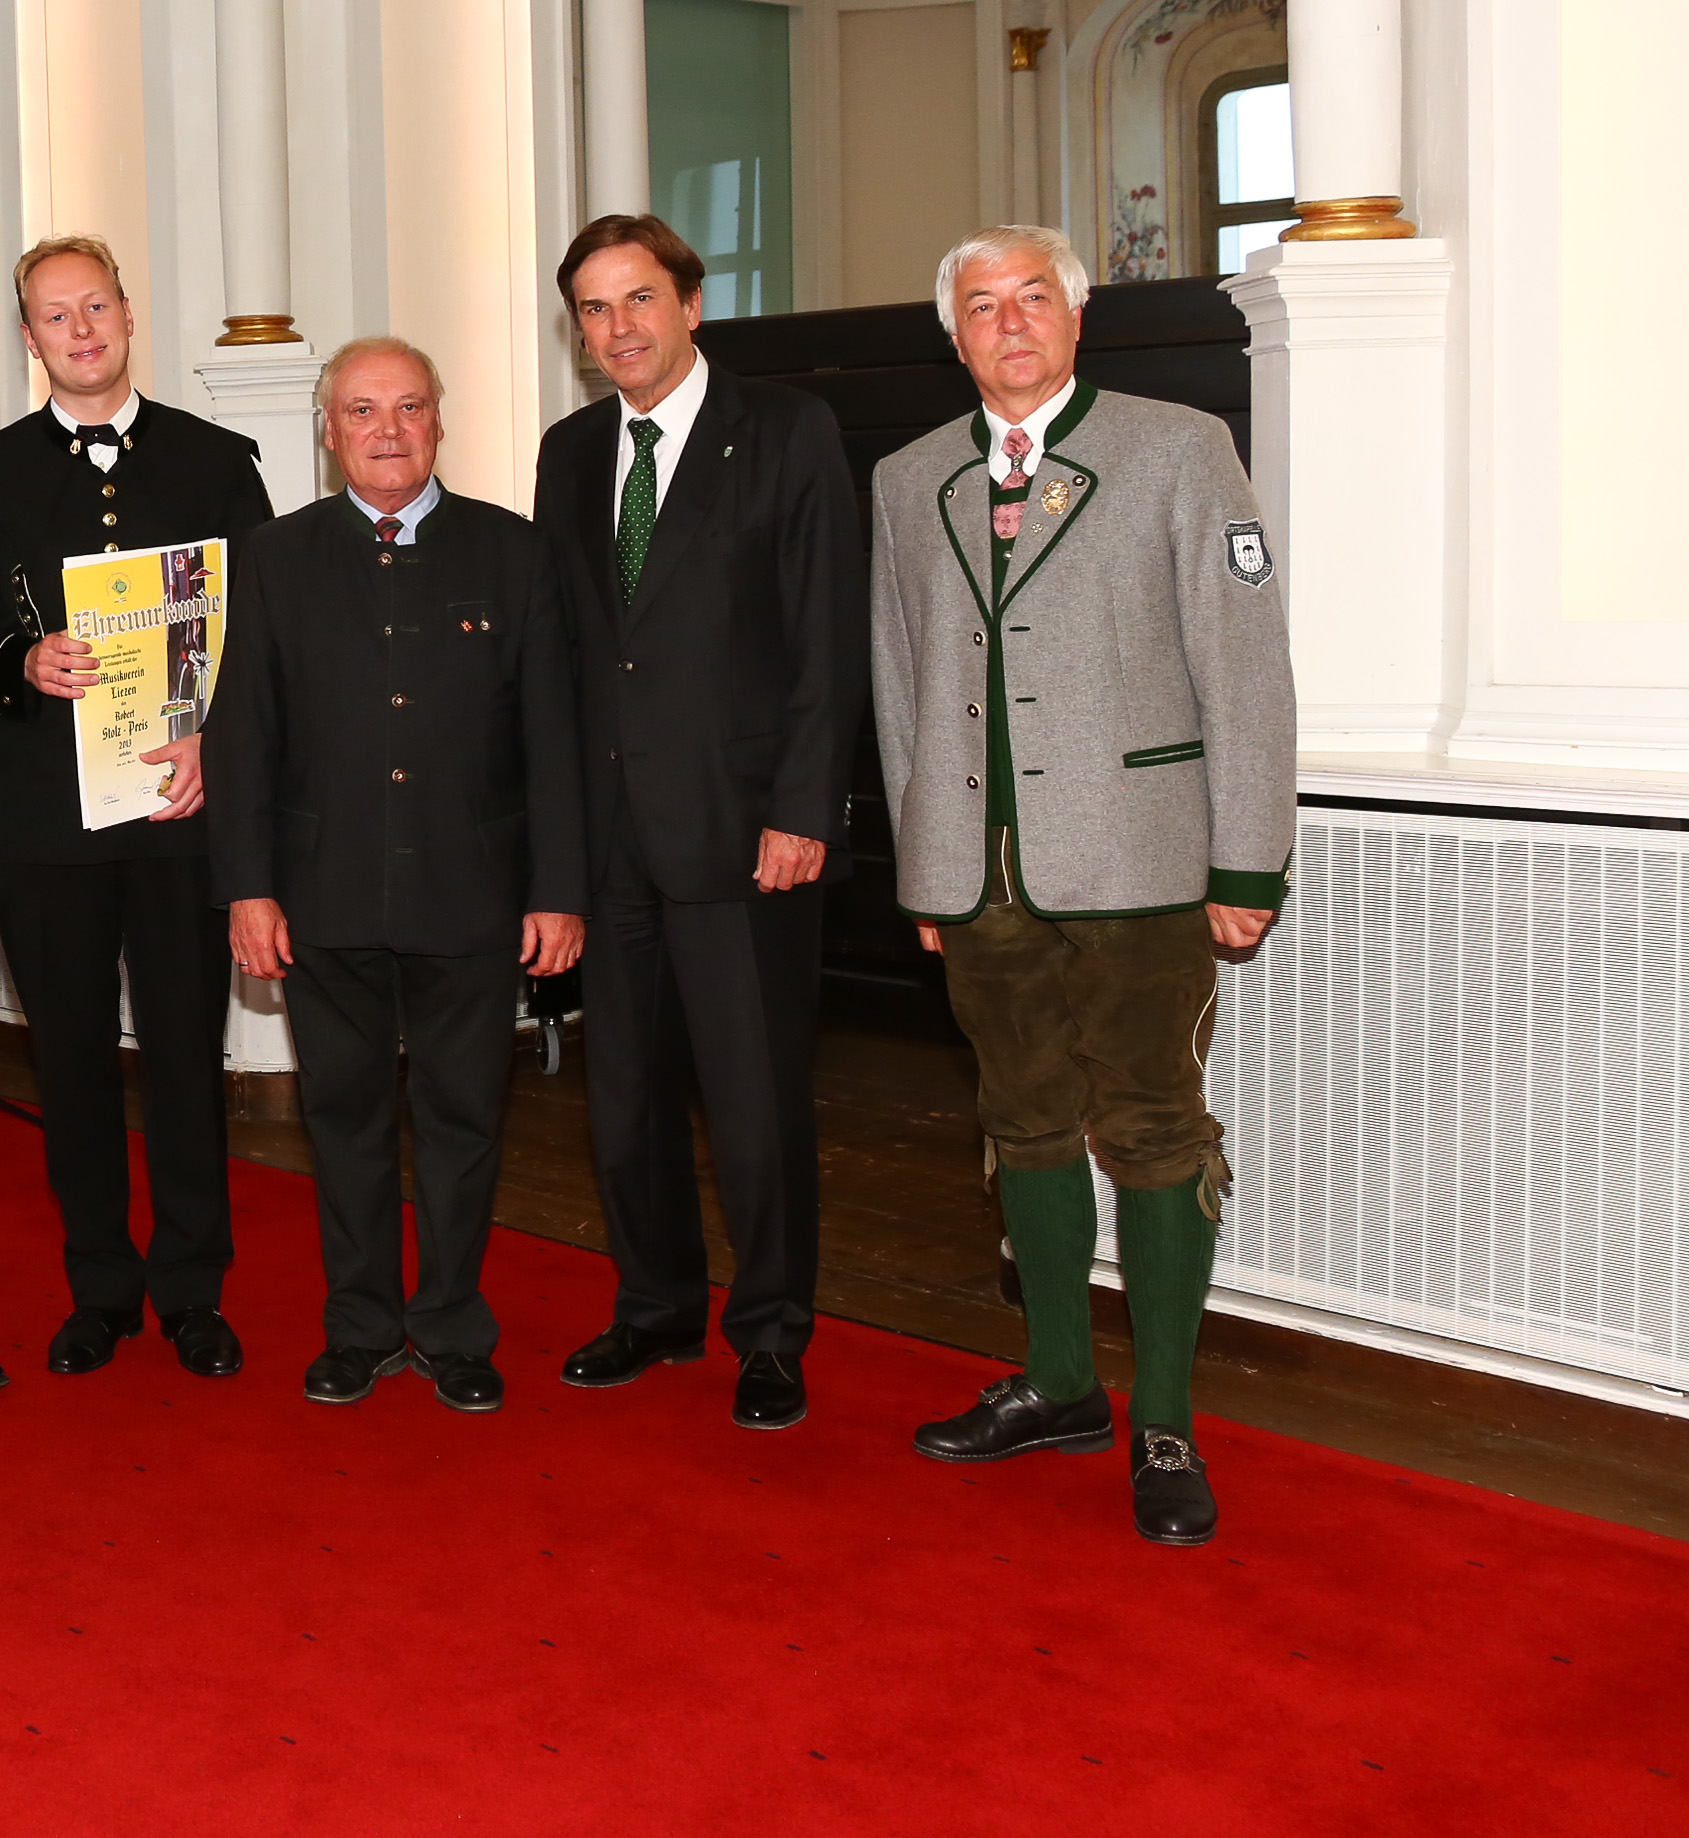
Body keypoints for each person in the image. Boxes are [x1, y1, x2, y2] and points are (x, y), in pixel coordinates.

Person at [872, 225, 1293, 1545]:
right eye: (981, 305)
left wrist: (1247, 853)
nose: (1007, 322)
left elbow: (1243, 660)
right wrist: (923, 861)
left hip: (1143, 863)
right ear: (954, 335)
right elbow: (898, 676)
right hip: (977, 870)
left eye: (1031, 297)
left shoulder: (1176, 449)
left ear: (1075, 313)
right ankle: (1059, 1381)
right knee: (1026, 1119)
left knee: (1156, 1127)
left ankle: (1162, 1415)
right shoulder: (905, 476)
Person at [206, 337, 586, 1414]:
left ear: (439, 422)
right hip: (322, 897)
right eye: (363, 411)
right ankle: (362, 1325)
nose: (387, 430)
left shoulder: (514, 554)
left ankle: (456, 1325)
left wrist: (558, 887)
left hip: (475, 897)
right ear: (329, 432)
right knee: (346, 1119)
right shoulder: (275, 558)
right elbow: (246, 736)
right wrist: (249, 886)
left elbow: (554, 738)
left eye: (408, 408)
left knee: (466, 1120)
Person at [534, 216, 865, 1432]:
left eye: (636, 301)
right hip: (612, 843)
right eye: (591, 310)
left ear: (688, 302)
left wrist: (803, 808)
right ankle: (656, 1305)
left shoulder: (786, 431)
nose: (615, 329)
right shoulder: (570, 453)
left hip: (744, 837)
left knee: (754, 1102)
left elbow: (828, 635)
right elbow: (573, 653)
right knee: (622, 1099)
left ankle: (772, 1332)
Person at [0, 236, 270, 1379]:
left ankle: (193, 1289)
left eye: (95, 306)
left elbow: (261, 642)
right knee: (71, 1063)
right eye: (53, 315)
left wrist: (217, 746)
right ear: (29, 337)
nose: (78, 330)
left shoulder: (220, 461)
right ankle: (100, 1289)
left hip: (180, 814)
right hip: (45, 823)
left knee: (186, 1055)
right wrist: (18, 661)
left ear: (128, 313)